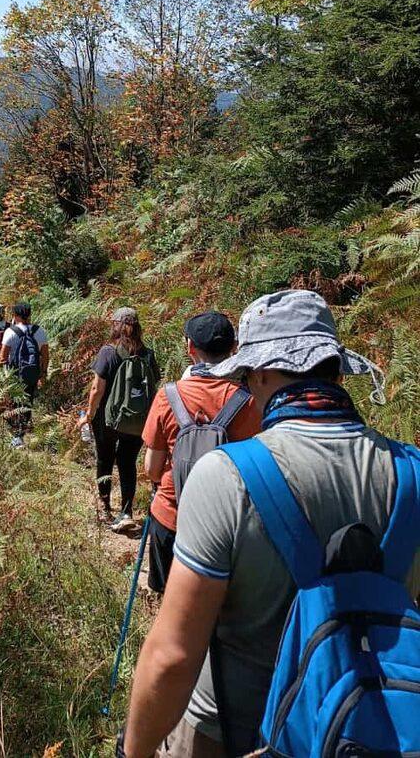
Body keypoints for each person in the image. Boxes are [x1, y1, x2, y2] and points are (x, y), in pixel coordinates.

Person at [120, 289, 420, 758]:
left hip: (231, 731)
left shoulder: (226, 476)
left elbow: (173, 657)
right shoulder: (413, 474)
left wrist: (131, 751)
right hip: (370, 731)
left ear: (258, 375)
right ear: (337, 371)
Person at [142, 311, 260, 594]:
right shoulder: (250, 401)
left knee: (168, 600)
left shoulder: (167, 396)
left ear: (190, 348)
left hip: (172, 513)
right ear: (234, 348)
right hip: (227, 523)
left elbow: (152, 469)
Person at [81, 307, 159, 534]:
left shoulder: (109, 352)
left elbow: (97, 388)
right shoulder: (148, 354)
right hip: (137, 420)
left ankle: (105, 507)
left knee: (104, 459)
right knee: (127, 463)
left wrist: (89, 413)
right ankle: (126, 511)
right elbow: (154, 383)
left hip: (108, 418)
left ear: (115, 325)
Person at [0, 302, 49, 448]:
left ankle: (16, 437)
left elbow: (2, 358)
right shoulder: (40, 332)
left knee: (14, 404)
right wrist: (43, 374)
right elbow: (45, 356)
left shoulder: (10, 332)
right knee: (27, 403)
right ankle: (22, 433)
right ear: (30, 314)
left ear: (16, 315)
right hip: (32, 374)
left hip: (13, 375)